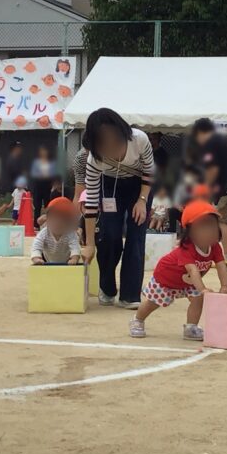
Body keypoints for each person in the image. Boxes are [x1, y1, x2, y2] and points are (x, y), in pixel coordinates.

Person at [80, 108, 155, 309]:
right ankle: (107, 287)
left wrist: (142, 201)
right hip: (110, 186)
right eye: (103, 140)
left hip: (140, 187)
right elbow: (91, 202)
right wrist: (89, 243)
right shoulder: (94, 160)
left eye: (113, 137)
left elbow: (149, 170)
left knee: (136, 236)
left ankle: (130, 294)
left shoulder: (139, 140)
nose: (110, 144)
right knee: (109, 235)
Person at [129, 199, 227, 341]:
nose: (209, 231)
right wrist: (203, 289)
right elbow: (193, 271)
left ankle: (191, 327)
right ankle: (137, 320)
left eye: (211, 226)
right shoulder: (186, 248)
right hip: (166, 278)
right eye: (202, 227)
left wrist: (225, 286)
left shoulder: (214, 247)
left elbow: (221, 266)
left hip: (188, 282)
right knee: (153, 302)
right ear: (189, 232)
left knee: (197, 299)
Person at [190, 118, 227, 260]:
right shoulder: (223, 143)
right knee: (224, 222)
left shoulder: (212, 144)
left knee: (222, 222)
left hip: (223, 191)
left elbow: (212, 170)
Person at [30, 196, 81, 265]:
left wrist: (74, 258)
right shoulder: (44, 233)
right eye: (54, 219)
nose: (58, 223)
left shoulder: (70, 233)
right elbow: (36, 245)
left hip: (67, 261)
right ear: (47, 220)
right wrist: (36, 258)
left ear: (68, 222)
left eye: (62, 219)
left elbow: (75, 246)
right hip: (47, 260)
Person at [30, 145, 56, 228]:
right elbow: (34, 173)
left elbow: (52, 174)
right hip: (38, 185)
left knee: (47, 204)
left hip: (47, 185)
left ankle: (47, 223)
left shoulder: (51, 163)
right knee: (37, 205)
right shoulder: (36, 163)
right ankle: (36, 225)